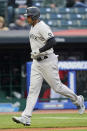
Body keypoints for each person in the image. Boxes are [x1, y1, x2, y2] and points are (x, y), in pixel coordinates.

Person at [12, 6, 85, 126]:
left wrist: (39, 50)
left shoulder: (43, 26)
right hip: (36, 62)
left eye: (28, 16)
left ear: (34, 17)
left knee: (57, 87)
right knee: (33, 90)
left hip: (47, 60)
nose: (27, 18)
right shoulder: (33, 26)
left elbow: (52, 41)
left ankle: (78, 100)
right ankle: (26, 117)